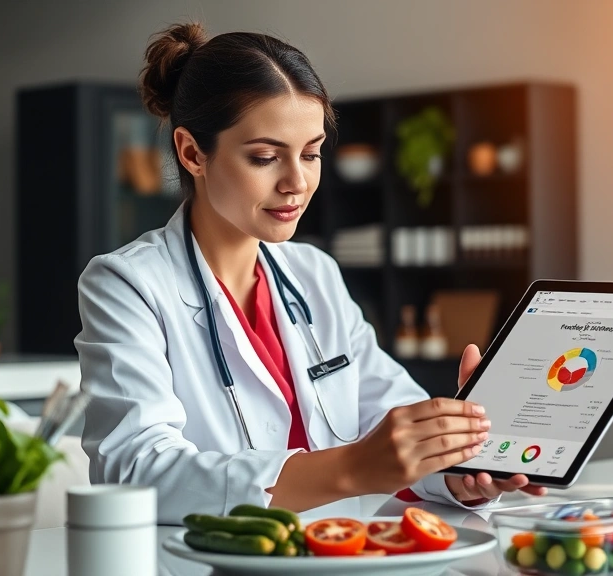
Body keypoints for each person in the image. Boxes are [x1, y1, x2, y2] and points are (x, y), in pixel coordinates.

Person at [75, 21, 544, 524]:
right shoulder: (128, 285)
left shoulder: (313, 273)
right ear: (193, 153)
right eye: (264, 157)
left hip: (339, 551)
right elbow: (138, 471)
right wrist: (350, 470)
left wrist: (457, 457)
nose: (296, 182)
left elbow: (386, 416)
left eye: (311, 153)